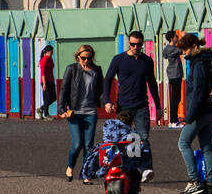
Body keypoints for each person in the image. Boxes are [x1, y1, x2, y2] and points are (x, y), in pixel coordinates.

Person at [103, 31, 160, 184]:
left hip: (141, 104)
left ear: (142, 44)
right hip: (123, 106)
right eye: (133, 44)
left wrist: (158, 106)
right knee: (123, 139)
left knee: (143, 137)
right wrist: (107, 101)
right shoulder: (118, 60)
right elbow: (107, 80)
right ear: (129, 43)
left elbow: (152, 84)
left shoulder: (147, 61)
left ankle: (146, 169)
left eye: (139, 44)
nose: (136, 47)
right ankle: (124, 169)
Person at [176, 32, 212, 194]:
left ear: (194, 47)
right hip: (210, 109)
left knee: (183, 143)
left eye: (185, 49)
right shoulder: (207, 59)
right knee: (206, 145)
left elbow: (198, 92)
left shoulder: (199, 63)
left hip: (200, 111)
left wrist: (189, 115)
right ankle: (209, 185)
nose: (183, 53)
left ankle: (194, 181)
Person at [82, 109, 150, 194]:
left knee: (107, 173)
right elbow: (138, 149)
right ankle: (133, 193)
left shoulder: (109, 129)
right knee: (135, 174)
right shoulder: (131, 134)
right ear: (130, 123)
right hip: (124, 162)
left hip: (109, 160)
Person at [58, 44, 103, 184]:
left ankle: (85, 173)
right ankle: (70, 166)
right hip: (75, 112)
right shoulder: (72, 69)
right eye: (83, 58)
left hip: (90, 111)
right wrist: (61, 110)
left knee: (89, 145)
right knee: (77, 144)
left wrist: (106, 103)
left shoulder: (96, 70)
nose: (86, 61)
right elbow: (64, 89)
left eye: (89, 58)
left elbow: (100, 90)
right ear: (77, 57)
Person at [162, 30, 186, 129]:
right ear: (172, 38)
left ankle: (173, 120)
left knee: (175, 98)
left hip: (172, 75)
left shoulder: (167, 48)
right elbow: (183, 50)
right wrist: (184, 38)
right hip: (175, 75)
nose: (178, 37)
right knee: (176, 98)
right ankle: (173, 121)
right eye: (176, 36)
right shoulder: (172, 49)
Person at [39, 45, 57, 120]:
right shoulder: (44, 60)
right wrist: (44, 84)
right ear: (48, 52)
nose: (52, 53)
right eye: (51, 52)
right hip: (45, 81)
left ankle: (41, 109)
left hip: (51, 80)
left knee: (53, 98)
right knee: (47, 98)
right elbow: (43, 73)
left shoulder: (50, 59)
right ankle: (46, 114)